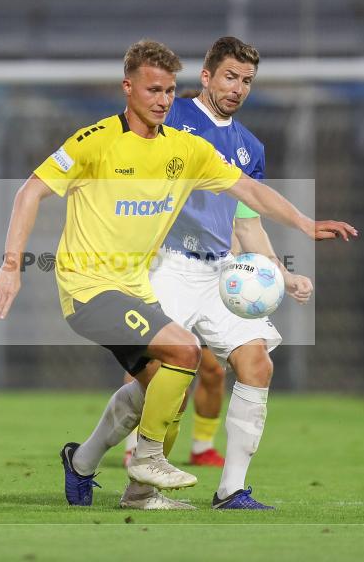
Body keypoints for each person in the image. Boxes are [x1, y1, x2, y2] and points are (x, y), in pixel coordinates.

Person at [0, 39, 356, 509]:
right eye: (153, 90)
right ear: (129, 88)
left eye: (167, 91)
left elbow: (248, 198)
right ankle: (147, 461)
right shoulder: (96, 140)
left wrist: (303, 226)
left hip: (172, 279)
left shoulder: (190, 148)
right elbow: (29, 193)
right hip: (97, 285)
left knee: (182, 377)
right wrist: (11, 267)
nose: (162, 100)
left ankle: (98, 466)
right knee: (181, 354)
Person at [116, 36, 319, 510]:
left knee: (256, 363)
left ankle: (231, 489)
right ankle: (99, 463)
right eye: (230, 76)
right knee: (160, 377)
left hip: (217, 272)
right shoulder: (171, 117)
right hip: (163, 263)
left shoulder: (250, 147)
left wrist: (281, 274)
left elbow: (246, 222)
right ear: (205, 76)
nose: (238, 88)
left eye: (247, 81)